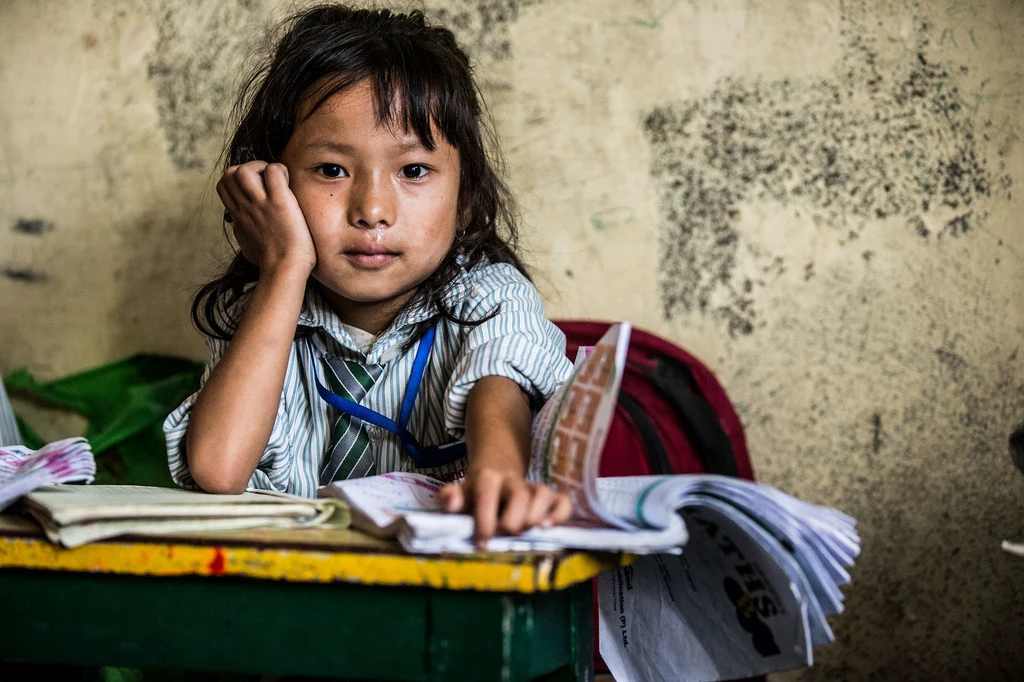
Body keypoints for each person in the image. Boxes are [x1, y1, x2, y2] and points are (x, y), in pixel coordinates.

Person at [163, 4, 575, 546]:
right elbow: (220, 469)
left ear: (467, 199)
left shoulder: (490, 299)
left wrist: (495, 475)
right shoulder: (266, 314)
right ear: (273, 190)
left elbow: (500, 389)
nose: (373, 208)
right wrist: (285, 266)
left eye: (413, 170)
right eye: (331, 170)